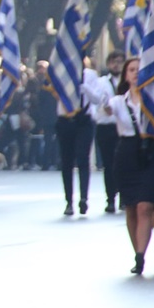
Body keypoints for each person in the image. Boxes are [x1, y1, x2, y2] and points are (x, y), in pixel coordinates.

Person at [105, 58, 154, 274]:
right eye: (131, 70)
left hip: (151, 152)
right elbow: (106, 109)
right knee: (131, 207)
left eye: (139, 70)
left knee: (145, 206)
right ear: (125, 75)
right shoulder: (118, 101)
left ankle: (142, 254)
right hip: (127, 153)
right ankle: (138, 254)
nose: (135, 73)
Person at [56, 60, 100, 216]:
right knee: (66, 161)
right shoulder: (60, 72)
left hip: (84, 120)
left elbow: (97, 99)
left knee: (83, 159)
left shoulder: (90, 75)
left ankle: (83, 199)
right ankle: (69, 201)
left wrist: (86, 88)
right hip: (65, 119)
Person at [91, 52, 125, 212]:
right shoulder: (101, 82)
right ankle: (110, 198)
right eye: (113, 62)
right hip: (105, 126)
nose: (116, 65)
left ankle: (124, 197)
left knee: (123, 164)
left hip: (123, 127)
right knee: (108, 164)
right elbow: (96, 100)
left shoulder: (127, 81)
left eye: (119, 61)